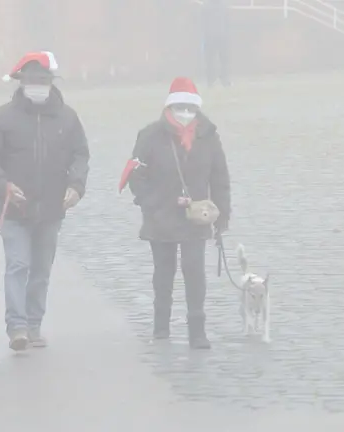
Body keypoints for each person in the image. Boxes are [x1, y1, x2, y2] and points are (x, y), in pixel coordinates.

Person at [0, 51, 90, 351]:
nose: (38, 85)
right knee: (17, 265)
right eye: (32, 80)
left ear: (52, 83)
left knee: (41, 270)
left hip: (52, 209)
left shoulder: (68, 118)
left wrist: (77, 185)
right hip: (15, 208)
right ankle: (17, 328)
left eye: (43, 80)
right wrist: (3, 185)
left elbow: (81, 154)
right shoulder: (3, 117)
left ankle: (34, 324)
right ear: (21, 82)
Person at [125, 77, 231, 349]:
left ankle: (197, 330)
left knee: (194, 271)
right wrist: (151, 203)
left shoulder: (208, 136)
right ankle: (161, 325)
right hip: (160, 216)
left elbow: (220, 178)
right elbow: (136, 176)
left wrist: (223, 216)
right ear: (169, 108)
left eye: (189, 108)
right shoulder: (149, 135)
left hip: (196, 217)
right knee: (163, 272)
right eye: (179, 107)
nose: (184, 113)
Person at [202, 0, 231, 87]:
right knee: (220, 60)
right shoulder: (222, 5)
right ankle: (220, 80)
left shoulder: (206, 5)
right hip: (218, 35)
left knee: (213, 60)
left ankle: (213, 81)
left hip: (213, 36)